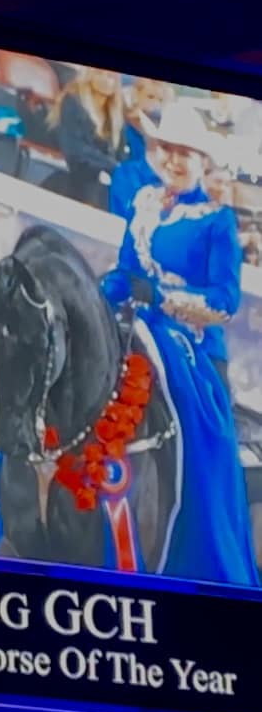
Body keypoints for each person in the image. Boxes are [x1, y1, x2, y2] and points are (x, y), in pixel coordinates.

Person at [99, 105, 258, 585]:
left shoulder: (217, 221)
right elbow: (126, 268)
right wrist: (105, 290)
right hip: (136, 327)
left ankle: (206, 547)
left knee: (208, 450)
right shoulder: (143, 201)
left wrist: (163, 297)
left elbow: (225, 301)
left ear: (203, 162)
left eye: (184, 153)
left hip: (195, 346)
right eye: (167, 149)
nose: (173, 160)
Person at [46, 67, 127, 209]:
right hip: (72, 179)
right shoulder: (72, 102)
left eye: (112, 75)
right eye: (101, 73)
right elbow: (74, 150)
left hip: (102, 186)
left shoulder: (116, 116)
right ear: (89, 75)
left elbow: (121, 157)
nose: (109, 79)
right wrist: (112, 166)